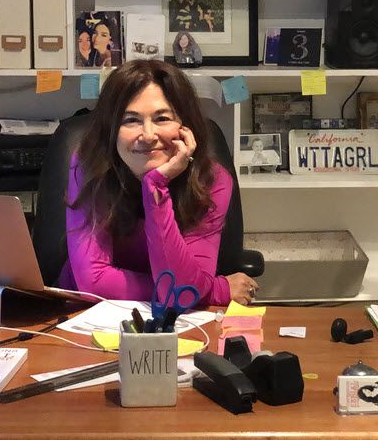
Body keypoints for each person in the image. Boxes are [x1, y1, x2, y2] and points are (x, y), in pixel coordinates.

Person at [58, 59, 258, 306]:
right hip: (83, 314)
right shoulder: (89, 165)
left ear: (185, 126)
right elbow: (94, 281)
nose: (149, 135)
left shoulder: (212, 180)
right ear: (111, 128)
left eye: (162, 118)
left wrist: (156, 186)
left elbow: (181, 294)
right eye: (130, 120)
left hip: (177, 321)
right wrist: (211, 289)